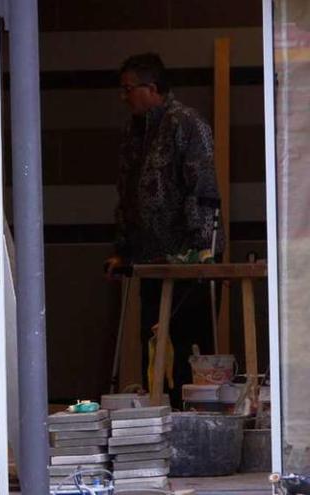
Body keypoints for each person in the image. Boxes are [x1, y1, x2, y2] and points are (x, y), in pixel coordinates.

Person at [104, 53, 224, 407]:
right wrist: (123, 248)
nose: (124, 97)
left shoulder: (186, 124)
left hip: (187, 257)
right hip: (150, 255)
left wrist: (198, 251)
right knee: (154, 342)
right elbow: (127, 191)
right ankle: (159, 411)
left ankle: (192, 415)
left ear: (152, 87)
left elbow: (201, 189)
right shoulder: (135, 131)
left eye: (129, 89)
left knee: (188, 341)